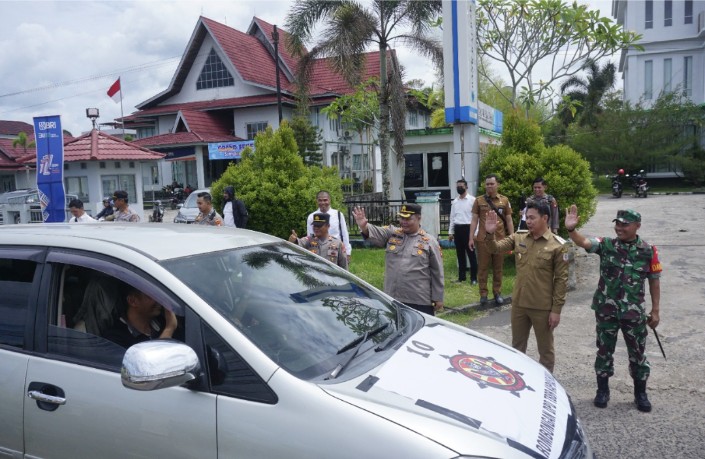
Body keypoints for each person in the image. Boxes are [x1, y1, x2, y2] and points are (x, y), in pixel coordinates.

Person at [565, 206, 662, 412]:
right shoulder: (606, 245)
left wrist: (655, 311)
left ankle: (640, 393)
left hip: (633, 313)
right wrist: (572, 230)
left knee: (637, 353)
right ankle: (602, 391)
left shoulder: (648, 251)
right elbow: (584, 242)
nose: (619, 227)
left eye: (624, 224)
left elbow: (654, 281)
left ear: (637, 226)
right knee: (603, 351)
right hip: (606, 311)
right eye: (617, 223)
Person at [484, 200, 569, 373]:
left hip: (542, 307)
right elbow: (495, 248)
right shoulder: (519, 237)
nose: (528, 221)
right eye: (526, 217)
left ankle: (547, 383)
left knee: (545, 351)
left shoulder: (558, 245)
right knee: (517, 348)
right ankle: (518, 380)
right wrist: (490, 233)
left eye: (532, 218)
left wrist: (556, 310)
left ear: (545, 218)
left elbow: (561, 280)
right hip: (519, 305)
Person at [352, 203, 444, 315]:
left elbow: (437, 271)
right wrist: (363, 226)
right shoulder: (392, 233)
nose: (404, 222)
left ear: (419, 218)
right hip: (393, 297)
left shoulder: (429, 241)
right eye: (401, 218)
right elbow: (375, 232)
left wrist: (438, 297)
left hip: (419, 299)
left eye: (408, 219)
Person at [469, 174, 514, 305]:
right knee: (482, 268)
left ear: (497, 185)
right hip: (483, 240)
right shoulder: (479, 200)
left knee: (498, 268)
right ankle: (483, 294)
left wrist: (512, 237)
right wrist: (471, 237)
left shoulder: (504, 201)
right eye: (487, 184)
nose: (489, 186)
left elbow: (509, 220)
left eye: (491, 184)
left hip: (500, 240)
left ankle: (497, 293)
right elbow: (474, 219)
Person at [103, 284, 179, 348]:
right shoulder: (115, 338)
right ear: (132, 301)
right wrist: (169, 329)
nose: (158, 300)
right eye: (152, 295)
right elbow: (152, 364)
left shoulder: (161, 322)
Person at [307, 191, 351, 262]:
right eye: (320, 200)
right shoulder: (312, 217)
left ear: (329, 200)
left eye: (325, 200)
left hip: (337, 250)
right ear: (317, 201)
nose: (323, 203)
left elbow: (345, 235)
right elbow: (310, 236)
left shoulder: (338, 214)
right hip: (319, 251)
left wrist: (348, 253)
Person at [448, 179, 478, 284]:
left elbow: (476, 218)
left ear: (466, 187)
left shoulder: (473, 200)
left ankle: (474, 278)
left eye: (461, 186)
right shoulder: (455, 201)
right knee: (460, 255)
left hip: (469, 229)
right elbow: (452, 217)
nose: (459, 188)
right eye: (457, 186)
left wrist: (475, 233)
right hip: (458, 229)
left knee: (471, 255)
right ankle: (461, 277)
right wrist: (450, 232)